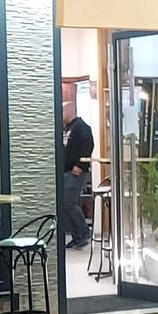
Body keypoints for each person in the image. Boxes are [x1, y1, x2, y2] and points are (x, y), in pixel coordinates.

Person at [61, 99, 95, 249]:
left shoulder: (82, 127)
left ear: (70, 111)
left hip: (76, 172)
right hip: (66, 171)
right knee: (66, 203)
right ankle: (77, 237)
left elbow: (88, 145)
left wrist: (81, 165)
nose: (61, 115)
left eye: (63, 111)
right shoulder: (67, 128)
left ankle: (84, 232)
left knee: (68, 202)